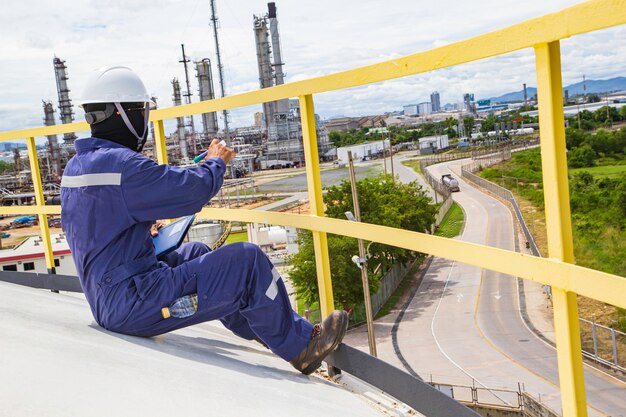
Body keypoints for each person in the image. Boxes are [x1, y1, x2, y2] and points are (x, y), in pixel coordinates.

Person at [60, 66, 347, 375]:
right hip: (130, 302)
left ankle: (269, 329)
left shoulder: (76, 168)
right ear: (125, 114)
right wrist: (214, 163)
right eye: (144, 111)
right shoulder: (123, 166)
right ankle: (303, 347)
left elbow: (101, 225)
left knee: (195, 252)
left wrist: (141, 229)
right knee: (246, 261)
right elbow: (190, 191)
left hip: (108, 294)